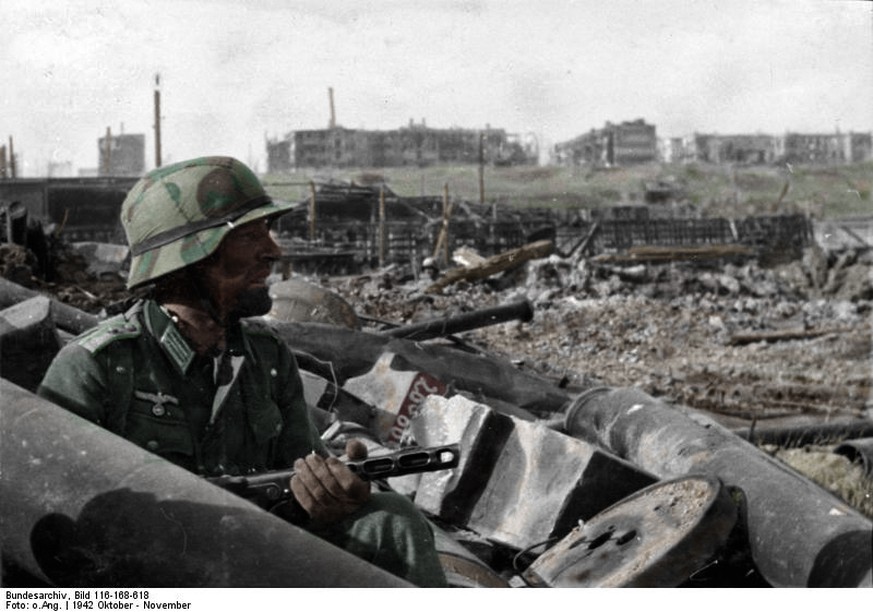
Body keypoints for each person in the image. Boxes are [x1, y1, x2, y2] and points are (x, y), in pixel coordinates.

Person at [37, 156, 447, 587]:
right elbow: (52, 521)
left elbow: (302, 475)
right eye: (249, 235)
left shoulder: (265, 357)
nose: (273, 251)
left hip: (253, 558)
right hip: (152, 580)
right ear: (187, 258)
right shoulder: (97, 365)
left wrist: (336, 494)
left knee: (390, 521)